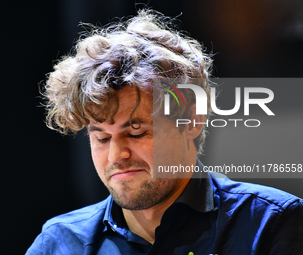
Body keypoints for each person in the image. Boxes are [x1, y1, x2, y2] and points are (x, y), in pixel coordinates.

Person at [26, 9, 303, 255]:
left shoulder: (272, 224)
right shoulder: (60, 243)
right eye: (101, 137)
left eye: (136, 132)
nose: (116, 155)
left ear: (192, 121)